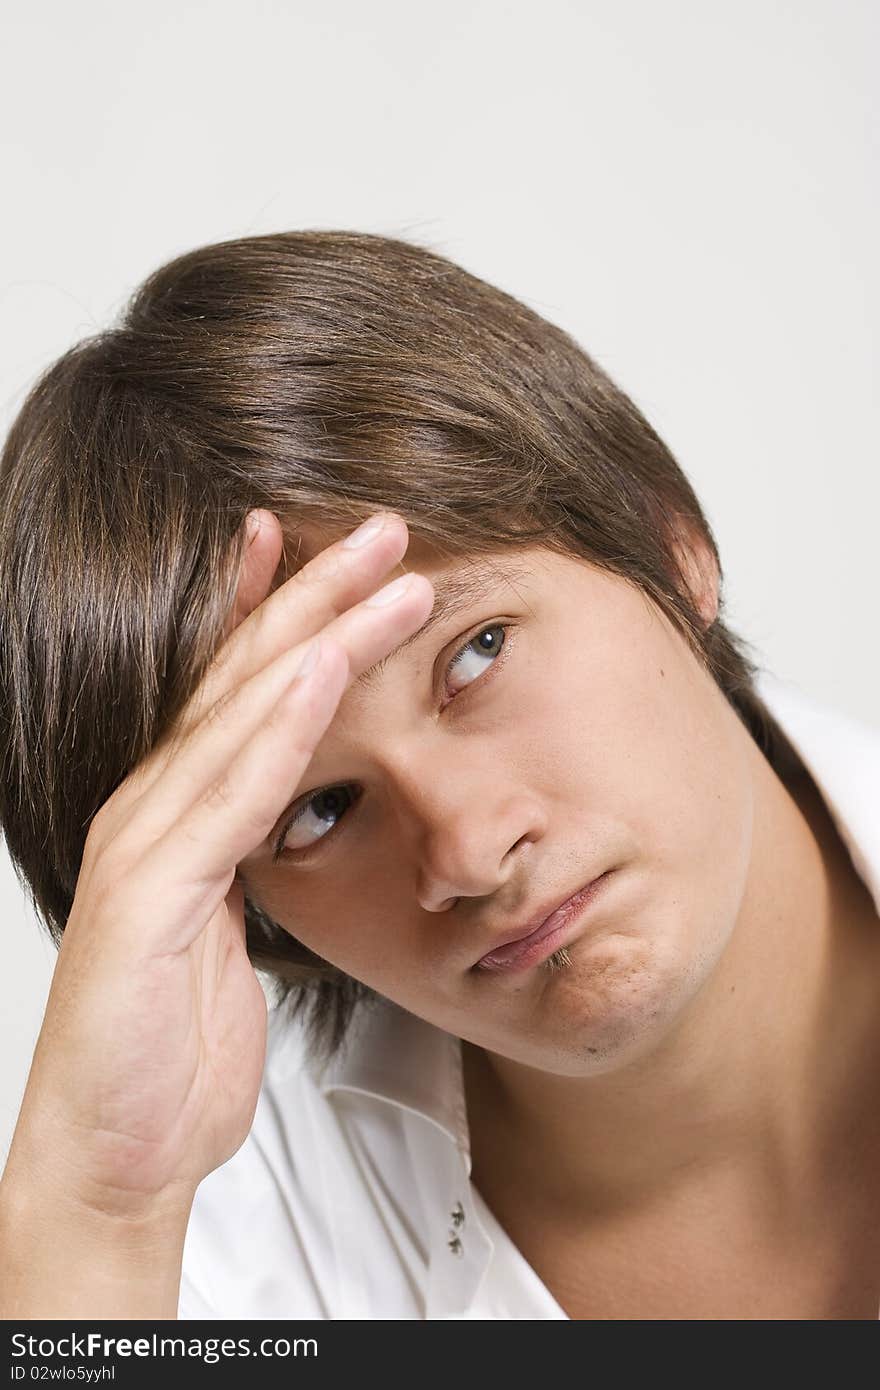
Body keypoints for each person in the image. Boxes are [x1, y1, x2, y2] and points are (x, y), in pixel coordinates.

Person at [0, 231, 878, 1321]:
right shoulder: (212, 1250)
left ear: (669, 545)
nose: (463, 850)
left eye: (478, 652)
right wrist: (98, 1212)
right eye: (318, 811)